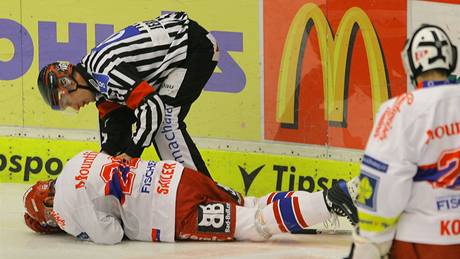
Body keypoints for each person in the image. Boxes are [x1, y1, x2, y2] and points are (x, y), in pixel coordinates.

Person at [23, 150, 359, 244]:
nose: (53, 222)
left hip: (169, 213)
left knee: (253, 225)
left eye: (47, 218)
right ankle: (341, 200)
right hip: (176, 175)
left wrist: (79, 231)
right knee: (251, 203)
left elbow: (110, 236)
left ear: (48, 207)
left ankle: (329, 201)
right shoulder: (78, 158)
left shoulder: (64, 210)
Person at [37, 12, 219, 178]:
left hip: (194, 47)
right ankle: (198, 192)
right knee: (154, 123)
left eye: (67, 102)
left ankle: (205, 196)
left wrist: (132, 153)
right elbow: (115, 129)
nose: (75, 107)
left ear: (69, 83)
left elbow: (152, 107)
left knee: (165, 124)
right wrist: (103, 162)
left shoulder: (105, 72)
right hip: (180, 45)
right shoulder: (96, 82)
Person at [348, 24, 460, 259]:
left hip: (422, 243)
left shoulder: (400, 109)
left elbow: (382, 184)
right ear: (451, 58)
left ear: (411, 64)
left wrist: (370, 242)